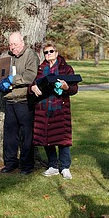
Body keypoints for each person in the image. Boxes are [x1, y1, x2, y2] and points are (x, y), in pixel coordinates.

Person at [0, 31, 39, 175]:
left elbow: (30, 75)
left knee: (26, 135)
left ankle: (27, 165)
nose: (13, 47)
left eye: (15, 44)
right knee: (10, 135)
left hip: (25, 101)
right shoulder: (4, 57)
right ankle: (10, 163)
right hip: (10, 100)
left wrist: (12, 80)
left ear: (22, 42)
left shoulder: (30, 55)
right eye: (10, 44)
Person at [29, 42, 78, 180]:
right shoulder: (40, 69)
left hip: (60, 108)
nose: (49, 54)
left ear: (56, 52)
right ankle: (53, 166)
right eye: (46, 52)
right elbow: (32, 84)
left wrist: (66, 87)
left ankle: (65, 167)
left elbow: (74, 89)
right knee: (47, 138)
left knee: (62, 139)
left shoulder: (66, 69)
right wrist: (32, 88)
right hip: (43, 108)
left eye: (51, 51)